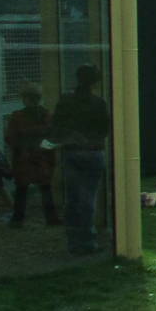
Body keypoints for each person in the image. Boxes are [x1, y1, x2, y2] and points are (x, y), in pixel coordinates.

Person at [50, 64, 110, 255]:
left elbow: (57, 127)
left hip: (72, 152)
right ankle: (88, 241)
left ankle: (74, 241)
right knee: (88, 199)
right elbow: (105, 129)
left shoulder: (66, 101)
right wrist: (90, 140)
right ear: (95, 81)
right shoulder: (98, 103)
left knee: (73, 199)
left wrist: (72, 138)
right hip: (92, 152)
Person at [5, 83, 59, 228]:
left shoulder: (17, 117)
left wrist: (21, 149)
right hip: (42, 158)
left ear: (25, 99)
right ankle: (51, 219)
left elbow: (10, 138)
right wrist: (46, 153)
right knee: (45, 188)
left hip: (24, 158)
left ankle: (18, 219)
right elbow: (53, 137)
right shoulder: (46, 115)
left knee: (21, 189)